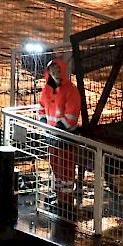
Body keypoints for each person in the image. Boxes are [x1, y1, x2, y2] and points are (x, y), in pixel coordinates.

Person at [38, 58, 81, 211]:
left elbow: (72, 113)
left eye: (57, 70)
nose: (55, 73)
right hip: (53, 134)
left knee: (66, 170)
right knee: (56, 167)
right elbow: (42, 107)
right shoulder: (47, 89)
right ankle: (59, 197)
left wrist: (58, 127)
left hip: (65, 136)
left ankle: (67, 202)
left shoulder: (71, 90)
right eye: (52, 70)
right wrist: (43, 122)